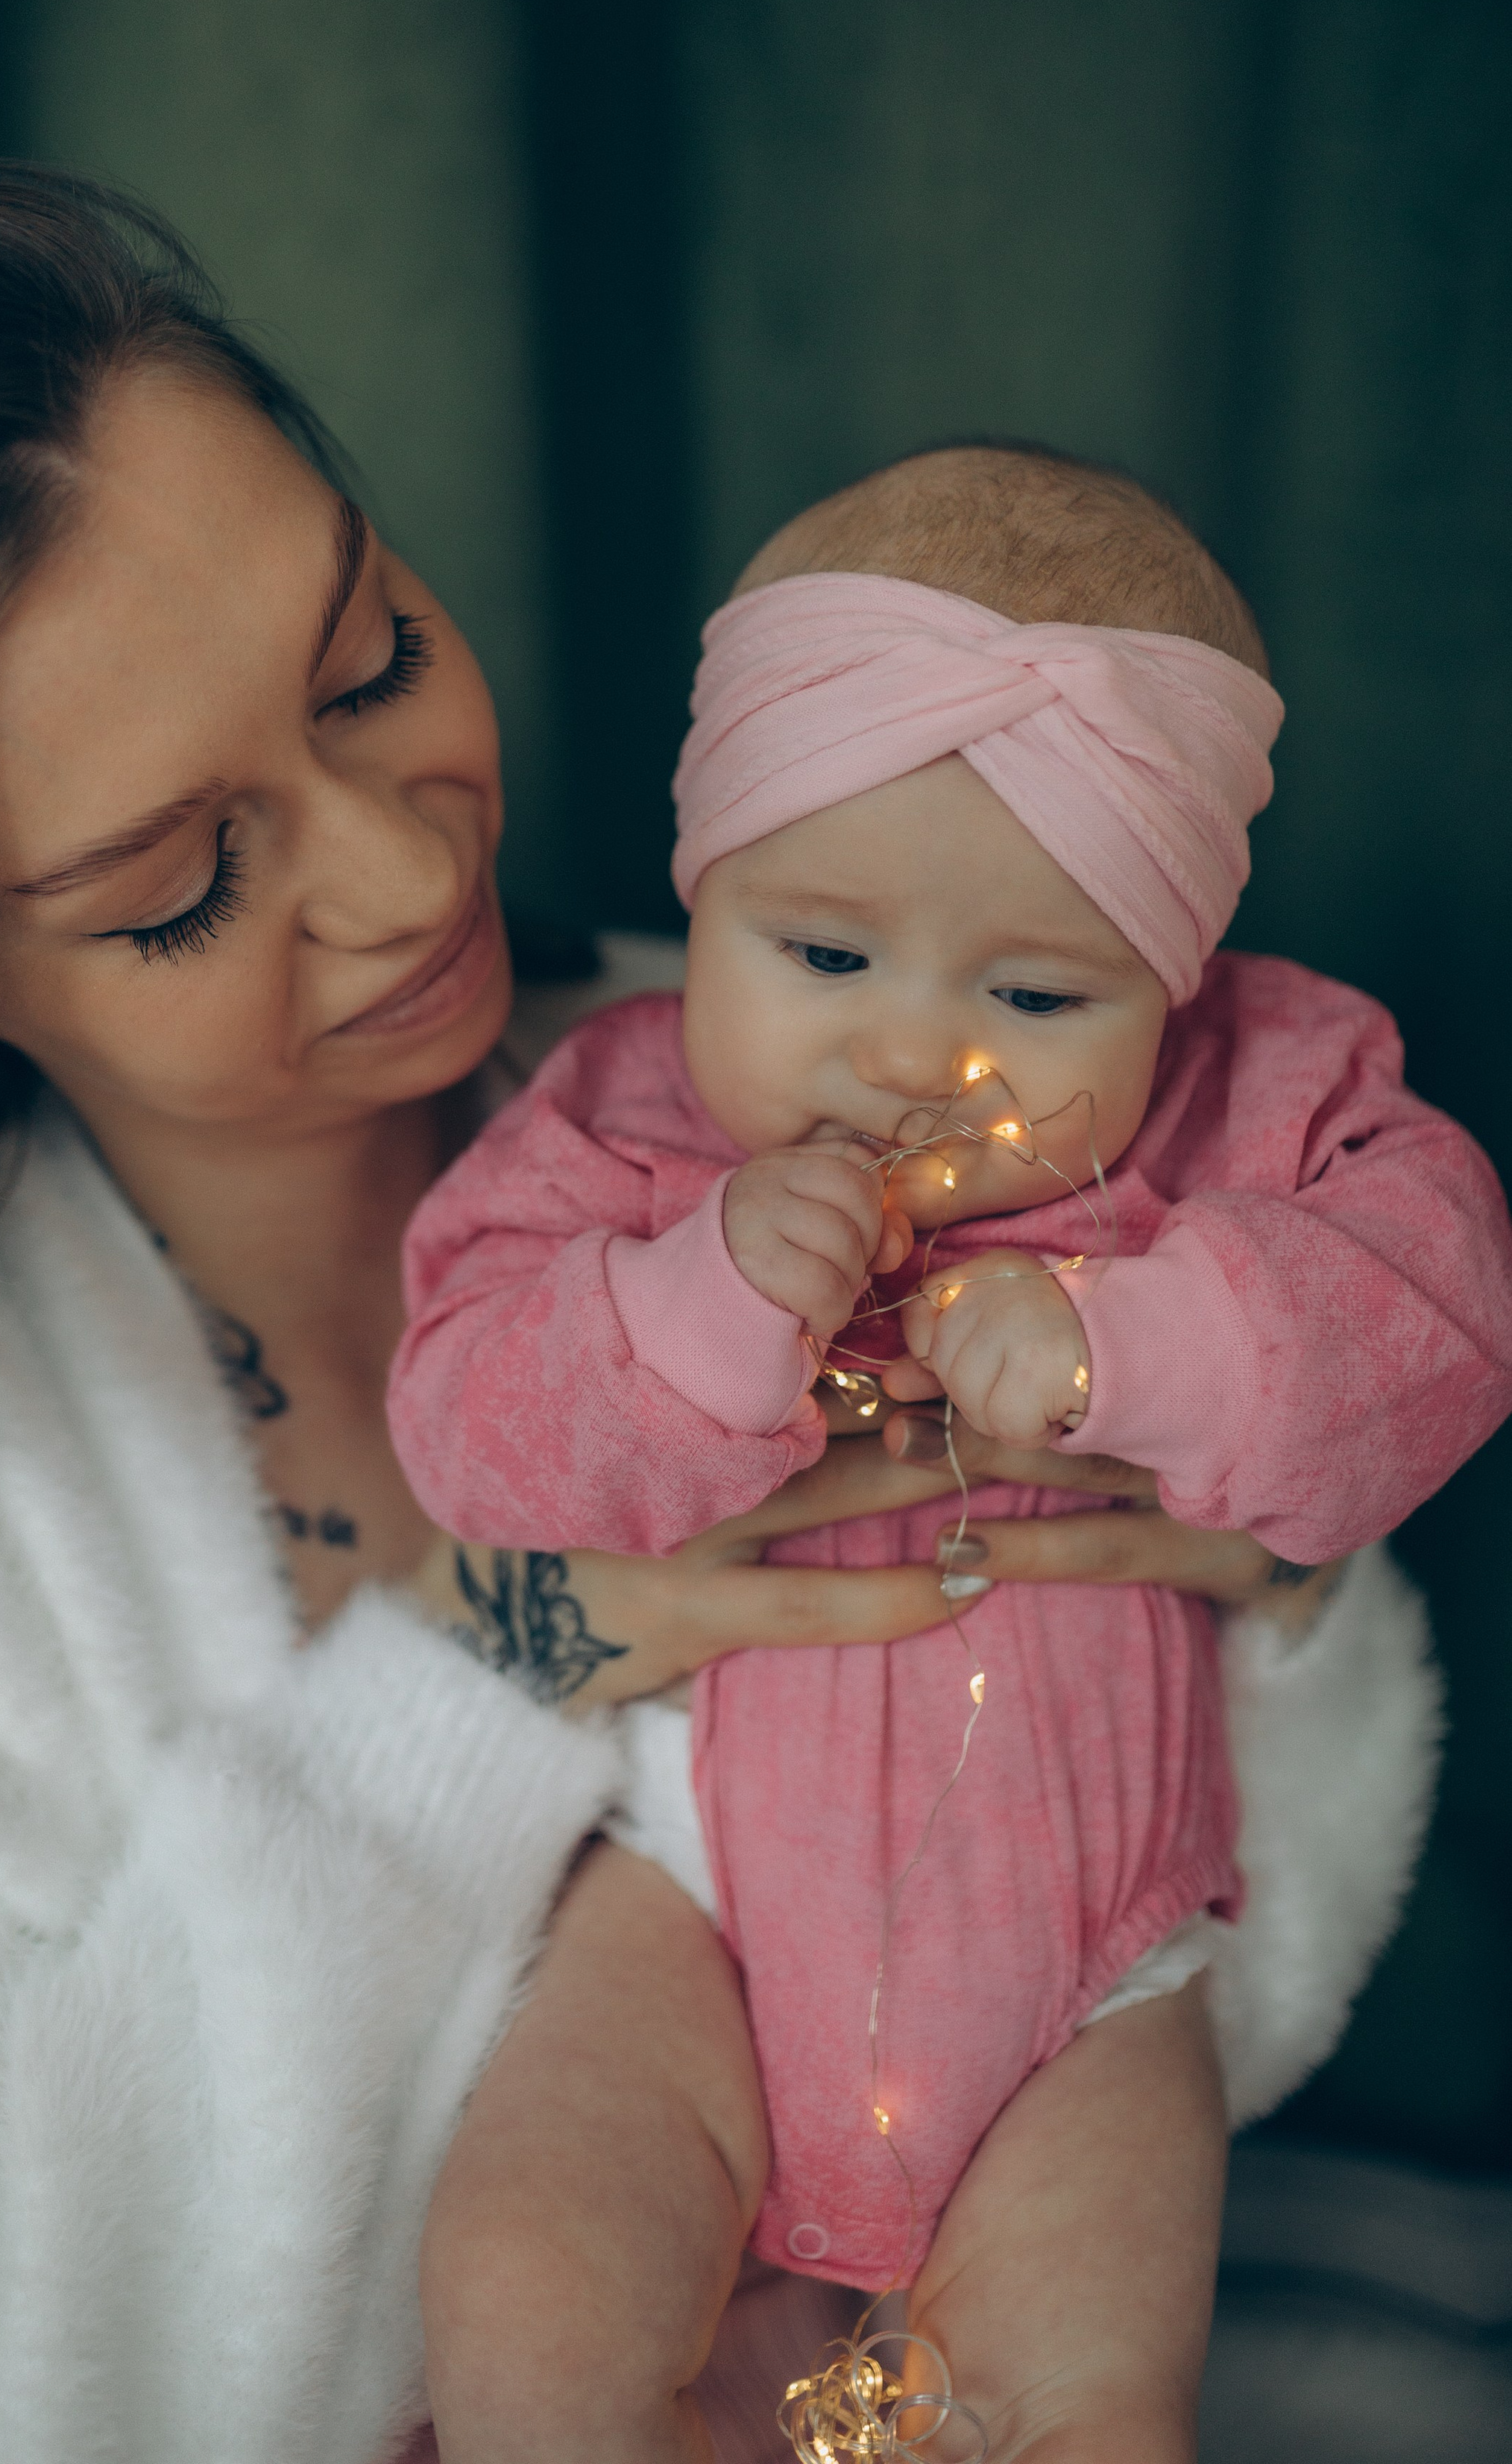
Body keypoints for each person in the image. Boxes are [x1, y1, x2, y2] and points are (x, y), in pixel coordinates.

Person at [0, 167, 1440, 2464]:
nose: (402, 868)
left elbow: (1221, 1899)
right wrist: (473, 1694)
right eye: (179, 884)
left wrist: (1273, 1552)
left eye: (369, 660)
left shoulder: (854, 1046)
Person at [391, 447, 1512, 2462]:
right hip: (697, 1900)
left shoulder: (1260, 1098)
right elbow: (471, 1420)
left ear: (1178, 983)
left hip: (1097, 1948)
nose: (917, 1052)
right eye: (822, 957)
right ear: (700, 891)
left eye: (1035, 991)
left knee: (1079, 2390)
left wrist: (1134, 1345)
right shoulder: (628, 1128)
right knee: (530, 2293)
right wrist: (693, 1307)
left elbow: (1434, 1320)